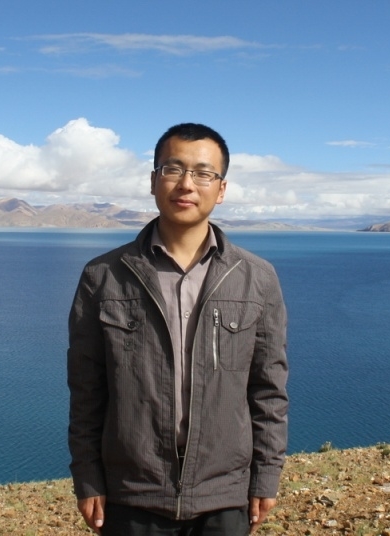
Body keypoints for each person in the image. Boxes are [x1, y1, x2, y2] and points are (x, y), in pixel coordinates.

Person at [67, 123, 289, 535]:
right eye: (173, 169)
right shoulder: (103, 276)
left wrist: (266, 475)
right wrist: (88, 474)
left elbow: (268, 390)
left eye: (204, 173)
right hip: (131, 495)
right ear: (153, 180)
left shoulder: (256, 278)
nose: (187, 184)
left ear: (221, 189)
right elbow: (86, 389)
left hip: (224, 497)